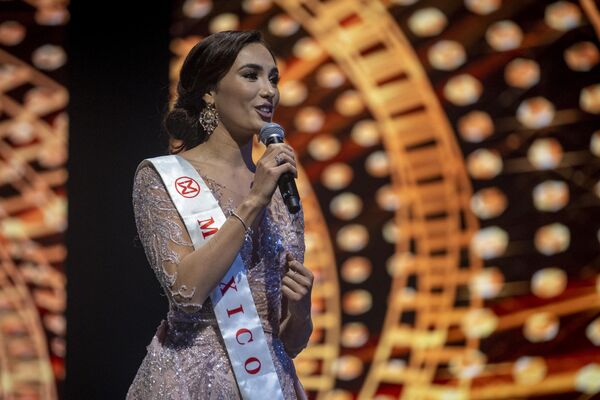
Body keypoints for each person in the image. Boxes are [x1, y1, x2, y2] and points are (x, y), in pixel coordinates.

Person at [126, 30, 313, 399]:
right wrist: (253, 201)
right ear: (210, 91)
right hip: (190, 379)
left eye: (273, 78)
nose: (269, 90)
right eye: (251, 75)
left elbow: (289, 341)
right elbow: (186, 292)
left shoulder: (281, 187)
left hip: (269, 381)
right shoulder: (162, 177)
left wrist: (302, 312)